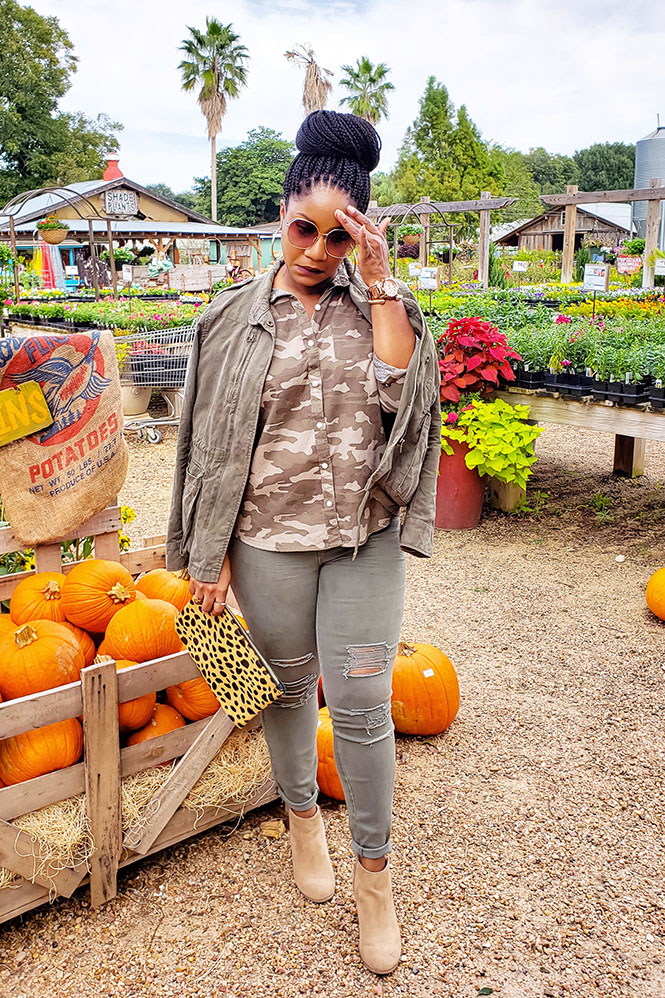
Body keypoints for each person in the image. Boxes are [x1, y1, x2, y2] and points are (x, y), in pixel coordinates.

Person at [166, 110, 441, 976]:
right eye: (302, 228)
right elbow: (206, 446)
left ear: (360, 234)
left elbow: (406, 405)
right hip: (267, 543)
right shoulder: (229, 318)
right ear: (279, 216)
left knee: (360, 706)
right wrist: (207, 555)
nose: (317, 250)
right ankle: (300, 822)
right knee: (287, 691)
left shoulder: (384, 309)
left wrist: (382, 283)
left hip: (364, 539)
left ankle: (375, 880)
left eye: (337, 235)